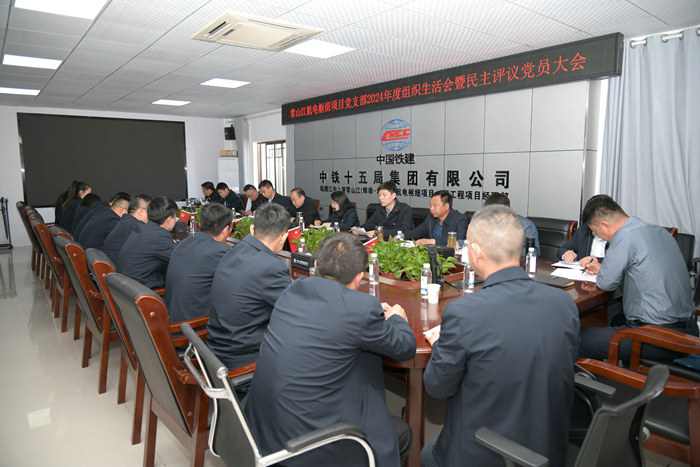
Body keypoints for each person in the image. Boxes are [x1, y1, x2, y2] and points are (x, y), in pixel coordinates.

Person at [421, 205, 579, 467]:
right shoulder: (564, 304)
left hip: (484, 452)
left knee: (427, 453)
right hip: (547, 449)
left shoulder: (464, 312)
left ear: (476, 251)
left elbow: (437, 387)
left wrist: (441, 345)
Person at [244, 233, 416, 467]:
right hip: (310, 446)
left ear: (316, 264)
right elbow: (404, 347)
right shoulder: (361, 309)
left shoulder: (292, 290)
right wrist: (395, 317)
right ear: (360, 277)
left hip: (262, 431)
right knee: (401, 433)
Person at [577, 195, 698, 360]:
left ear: (605, 225)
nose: (598, 237)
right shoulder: (658, 231)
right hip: (689, 331)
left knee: (572, 338)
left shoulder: (624, 236)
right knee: (615, 319)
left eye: (595, 232)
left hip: (656, 336)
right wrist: (603, 269)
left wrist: (603, 271)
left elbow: (606, 283)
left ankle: (597, 377)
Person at [207, 203, 291, 369]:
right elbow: (294, 309)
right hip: (242, 356)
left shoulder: (233, 251)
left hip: (216, 346)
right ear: (284, 237)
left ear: (252, 229)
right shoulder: (271, 266)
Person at [164, 204, 232, 323]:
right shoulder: (219, 251)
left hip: (173, 318)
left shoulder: (184, 243)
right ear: (225, 230)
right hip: (194, 326)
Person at [115, 196, 178, 289]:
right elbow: (181, 259)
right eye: (175, 217)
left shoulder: (142, 228)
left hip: (125, 287)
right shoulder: (159, 236)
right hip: (140, 290)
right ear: (169, 220)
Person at [102, 194, 151, 263]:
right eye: (150, 212)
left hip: (110, 264)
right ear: (141, 211)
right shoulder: (136, 226)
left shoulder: (126, 221)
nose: (152, 215)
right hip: (115, 267)